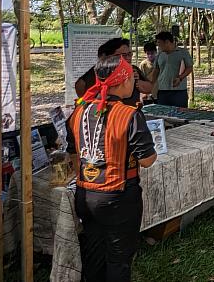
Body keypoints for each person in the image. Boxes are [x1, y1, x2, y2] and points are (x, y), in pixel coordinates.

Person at [66, 55, 157, 282]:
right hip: (119, 196)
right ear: (123, 81)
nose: (134, 84)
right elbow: (146, 160)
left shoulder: (79, 111)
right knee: (119, 258)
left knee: (94, 253)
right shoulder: (129, 114)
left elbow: (73, 155)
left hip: (86, 194)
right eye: (131, 79)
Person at [75, 38, 152, 107]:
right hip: (104, 113)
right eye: (123, 55)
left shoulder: (133, 69)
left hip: (128, 115)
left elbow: (150, 88)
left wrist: (137, 82)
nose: (128, 58)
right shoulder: (99, 70)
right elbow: (80, 85)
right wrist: (87, 104)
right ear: (108, 57)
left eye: (129, 54)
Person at [151, 31, 193, 107]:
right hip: (162, 90)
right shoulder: (160, 54)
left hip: (179, 91)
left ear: (167, 42)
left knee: (180, 114)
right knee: (163, 114)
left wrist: (180, 78)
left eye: (159, 43)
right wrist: (151, 85)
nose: (158, 45)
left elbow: (189, 68)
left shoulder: (183, 52)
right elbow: (156, 70)